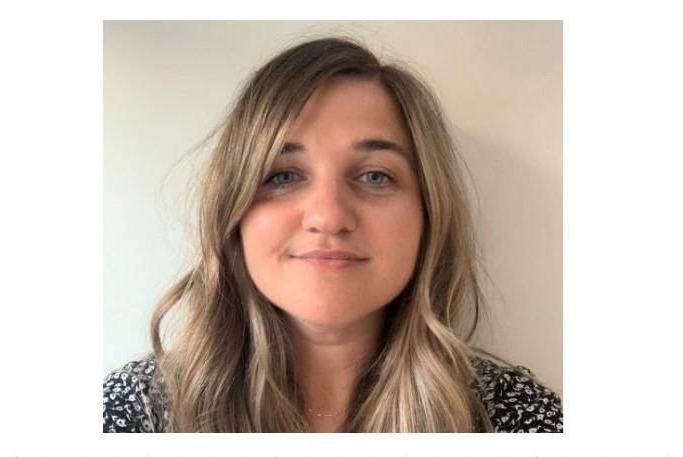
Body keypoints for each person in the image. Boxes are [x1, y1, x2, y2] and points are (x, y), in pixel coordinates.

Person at [103, 36, 563, 433]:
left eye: (376, 176)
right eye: (282, 176)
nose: (328, 216)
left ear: (430, 213)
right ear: (233, 212)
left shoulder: (513, 418)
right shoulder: (135, 414)